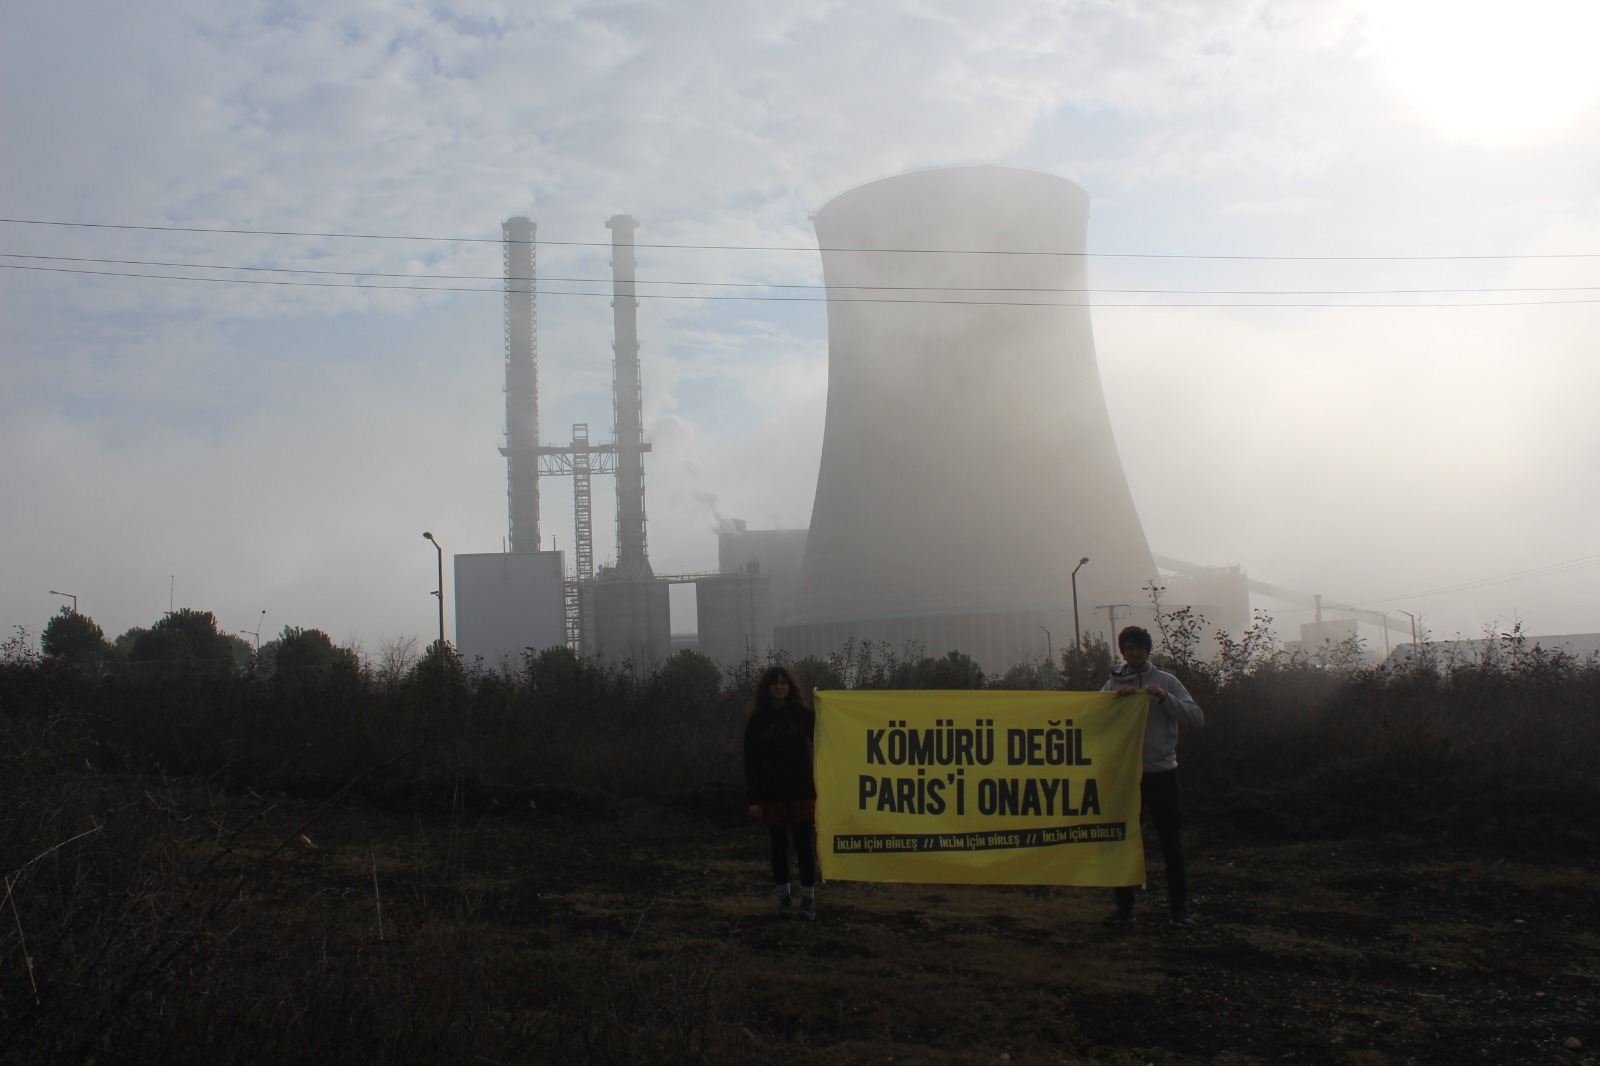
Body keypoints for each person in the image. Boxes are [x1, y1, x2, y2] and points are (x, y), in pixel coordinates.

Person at [1101, 625, 1205, 928]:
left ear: (1148, 650)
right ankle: (1124, 908)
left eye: (1138, 647)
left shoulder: (1167, 682)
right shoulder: (1113, 683)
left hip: (1162, 775)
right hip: (1127, 779)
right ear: (1122, 652)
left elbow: (1196, 717)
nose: (1133, 653)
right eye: (1128, 648)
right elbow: (1094, 717)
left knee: (1171, 845)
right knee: (1124, 844)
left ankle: (1178, 910)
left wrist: (1164, 699)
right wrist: (1113, 703)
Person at [743, 665, 819, 920]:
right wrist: (754, 799)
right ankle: (784, 899)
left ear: (790, 687)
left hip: (802, 790)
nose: (779, 687)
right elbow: (750, 762)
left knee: (804, 847)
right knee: (778, 847)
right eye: (774, 683)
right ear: (767, 688)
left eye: (783, 683)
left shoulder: (803, 715)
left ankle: (808, 899)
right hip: (771, 793)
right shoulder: (757, 721)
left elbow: (826, 738)